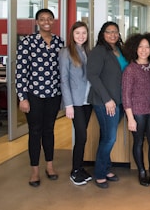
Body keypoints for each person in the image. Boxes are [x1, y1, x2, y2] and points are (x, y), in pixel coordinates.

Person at [16, 8, 64, 187]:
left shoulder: (60, 42)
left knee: (49, 130)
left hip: (54, 94)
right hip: (33, 95)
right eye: (42, 19)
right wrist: (23, 97)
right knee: (35, 131)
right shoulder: (27, 42)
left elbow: (62, 71)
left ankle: (49, 166)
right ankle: (34, 170)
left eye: (49, 19)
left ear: (53, 21)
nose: (46, 22)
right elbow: (20, 71)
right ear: (37, 22)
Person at [87, 21, 128, 189]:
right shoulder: (99, 51)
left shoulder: (119, 50)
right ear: (102, 34)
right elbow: (93, 76)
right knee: (110, 138)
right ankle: (100, 173)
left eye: (115, 32)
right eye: (109, 32)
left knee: (106, 137)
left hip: (119, 100)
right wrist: (107, 100)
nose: (113, 35)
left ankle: (105, 167)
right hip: (105, 102)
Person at [122, 33, 150, 189]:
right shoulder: (130, 69)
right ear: (135, 48)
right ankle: (141, 171)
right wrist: (130, 118)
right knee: (139, 142)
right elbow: (125, 95)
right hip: (137, 112)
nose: (144, 50)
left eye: (147, 47)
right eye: (140, 47)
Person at [59, 21, 92, 186]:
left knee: (82, 136)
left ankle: (80, 167)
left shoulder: (87, 51)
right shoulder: (66, 52)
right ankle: (75, 171)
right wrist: (68, 105)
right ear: (72, 34)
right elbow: (64, 80)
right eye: (78, 33)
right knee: (81, 136)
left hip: (88, 101)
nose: (81, 36)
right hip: (76, 102)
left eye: (84, 33)